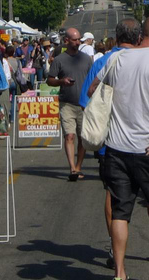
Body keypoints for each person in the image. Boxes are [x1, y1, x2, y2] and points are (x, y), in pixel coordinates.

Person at [96, 16, 149, 280]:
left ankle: (120, 273)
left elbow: (93, 89)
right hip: (147, 149)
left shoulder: (117, 59)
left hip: (116, 148)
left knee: (121, 212)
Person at [82, 19, 149, 266]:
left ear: (116, 37)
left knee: (114, 198)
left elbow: (88, 101)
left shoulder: (103, 62)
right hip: (148, 142)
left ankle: (114, 250)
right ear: (139, 37)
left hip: (113, 145)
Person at [47, 27, 93, 181]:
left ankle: (79, 166)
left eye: (79, 39)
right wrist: (61, 81)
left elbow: (93, 80)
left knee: (82, 138)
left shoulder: (86, 59)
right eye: (74, 40)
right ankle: (72, 168)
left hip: (83, 105)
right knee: (70, 136)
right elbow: (50, 80)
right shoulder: (59, 60)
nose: (77, 42)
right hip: (66, 104)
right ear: (66, 41)